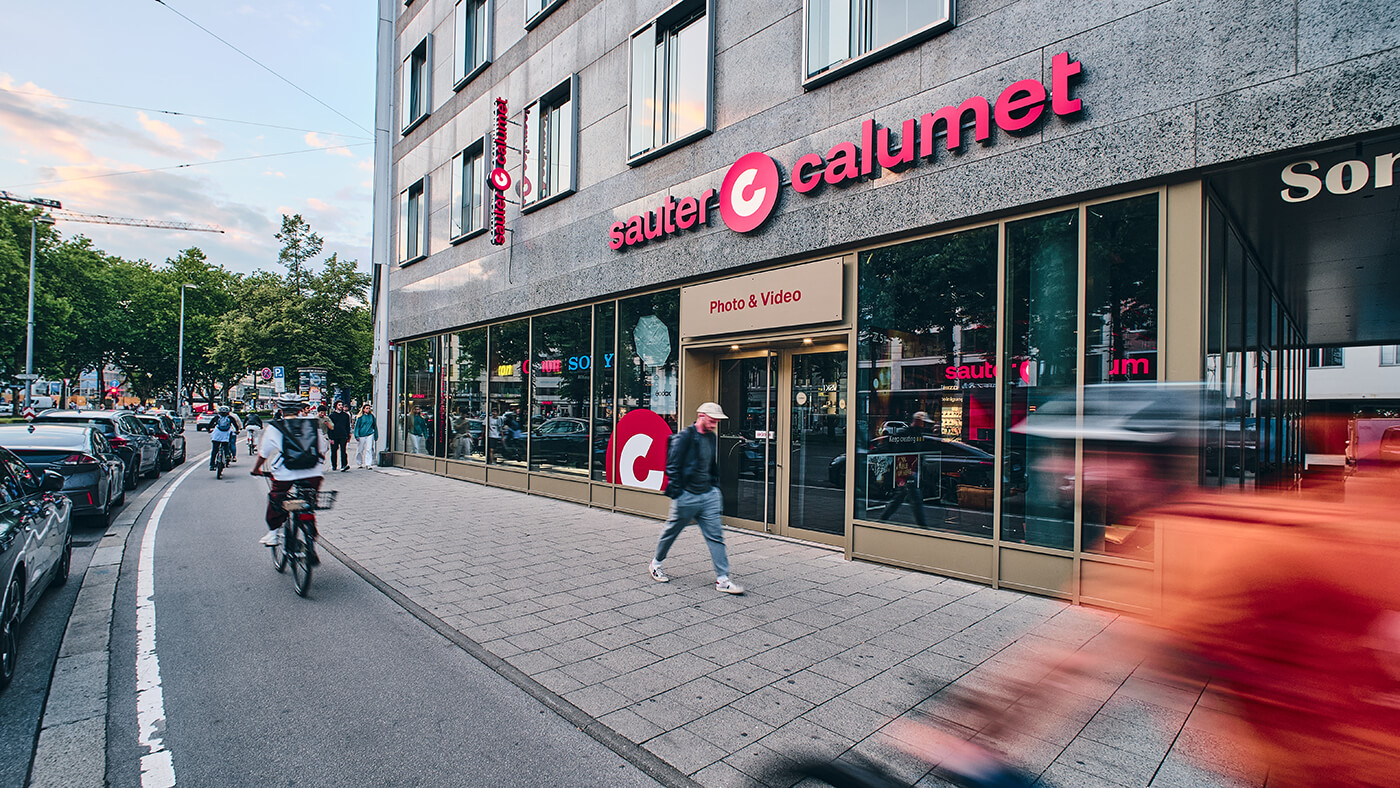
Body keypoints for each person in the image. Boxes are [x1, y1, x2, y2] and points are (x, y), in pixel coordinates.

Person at [649, 402, 744, 594]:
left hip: (708, 495)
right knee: (672, 530)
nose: (714, 424)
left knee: (715, 536)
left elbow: (711, 464)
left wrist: (715, 488)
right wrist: (680, 493)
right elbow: (672, 466)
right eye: (712, 420)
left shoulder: (711, 437)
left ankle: (723, 580)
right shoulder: (684, 437)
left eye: (717, 421)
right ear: (701, 416)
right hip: (687, 495)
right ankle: (656, 563)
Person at [251, 392, 327, 548]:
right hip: (313, 472)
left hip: (286, 473)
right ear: (300, 409)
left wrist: (257, 469)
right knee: (307, 501)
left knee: (277, 499)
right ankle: (309, 533)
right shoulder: (312, 423)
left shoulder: (275, 427)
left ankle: (273, 533)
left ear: (280, 410)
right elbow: (324, 447)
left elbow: (263, 453)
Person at [877, 411, 933, 528]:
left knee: (899, 498)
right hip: (906, 472)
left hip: (909, 471)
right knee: (915, 499)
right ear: (918, 421)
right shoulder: (906, 434)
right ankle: (923, 526)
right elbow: (899, 454)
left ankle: (882, 520)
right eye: (924, 423)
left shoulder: (917, 434)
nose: (925, 425)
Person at [209, 405, 238, 470]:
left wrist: (209, 429)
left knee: (214, 450)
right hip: (226, 434)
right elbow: (235, 425)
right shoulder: (230, 418)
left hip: (217, 435)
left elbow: (210, 424)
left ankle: (212, 465)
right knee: (226, 446)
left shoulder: (217, 417)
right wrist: (237, 430)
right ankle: (227, 455)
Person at [328, 400, 352, 472]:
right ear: (336, 406)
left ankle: (344, 465)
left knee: (343, 450)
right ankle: (334, 465)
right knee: (334, 450)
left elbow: (347, 426)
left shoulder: (345, 415)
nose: (341, 406)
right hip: (334, 435)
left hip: (343, 435)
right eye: (339, 405)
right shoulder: (332, 416)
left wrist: (348, 435)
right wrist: (330, 437)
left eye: (341, 405)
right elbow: (330, 427)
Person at [353, 403, 378, 469]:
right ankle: (359, 462)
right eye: (366, 408)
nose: (368, 409)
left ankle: (368, 464)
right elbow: (357, 427)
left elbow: (374, 426)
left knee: (369, 449)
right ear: (363, 409)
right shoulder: (360, 417)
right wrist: (356, 436)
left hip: (370, 434)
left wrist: (375, 435)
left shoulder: (372, 416)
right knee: (360, 450)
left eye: (369, 408)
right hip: (361, 435)